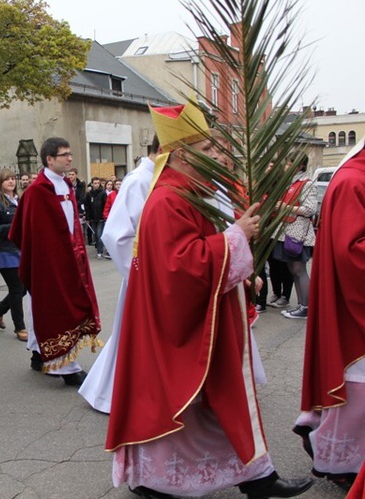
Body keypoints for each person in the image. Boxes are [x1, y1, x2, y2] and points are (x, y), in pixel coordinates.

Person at [105, 102, 312, 498]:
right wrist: (236, 238)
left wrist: (239, 263)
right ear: (180, 155)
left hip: (210, 313)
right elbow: (178, 267)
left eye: (215, 148)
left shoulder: (190, 190)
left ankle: (256, 477)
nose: (217, 155)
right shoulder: (167, 199)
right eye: (206, 149)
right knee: (196, 407)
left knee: (215, 406)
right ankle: (161, 481)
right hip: (184, 325)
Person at [294, 139, 365, 490]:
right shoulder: (353, 180)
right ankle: (340, 461)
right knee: (355, 394)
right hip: (353, 307)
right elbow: (350, 251)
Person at [9, 138, 101, 387]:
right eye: (64, 155)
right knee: (54, 310)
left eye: (70, 154)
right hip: (48, 264)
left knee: (57, 307)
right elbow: (22, 232)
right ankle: (66, 367)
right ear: (49, 159)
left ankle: (39, 354)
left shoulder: (66, 185)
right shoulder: (37, 192)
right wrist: (42, 258)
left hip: (71, 259)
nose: (70, 158)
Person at [78, 135, 158, 413]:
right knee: (133, 339)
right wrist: (141, 274)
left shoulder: (159, 177)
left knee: (133, 339)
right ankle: (113, 394)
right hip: (145, 274)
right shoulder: (138, 181)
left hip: (157, 273)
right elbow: (116, 235)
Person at [0, 169, 27, 343]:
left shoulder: (19, 200)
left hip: (22, 250)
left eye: (12, 179)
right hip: (6, 252)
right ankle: (20, 327)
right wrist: (12, 227)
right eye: (7, 179)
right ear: (0, 182)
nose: (11, 182)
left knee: (22, 289)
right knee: (17, 289)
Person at [273, 152, 316, 319]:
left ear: (299, 166)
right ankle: (301, 304)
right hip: (289, 231)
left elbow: (310, 209)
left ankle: (306, 307)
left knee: (299, 269)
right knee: (293, 269)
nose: (286, 166)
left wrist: (285, 207)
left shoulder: (306, 183)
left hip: (298, 232)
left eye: (289, 163)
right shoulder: (291, 183)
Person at [84, 176, 107, 259]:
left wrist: (105, 215)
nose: (97, 185)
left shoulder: (103, 193)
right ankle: (99, 248)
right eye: (95, 183)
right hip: (92, 218)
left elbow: (105, 205)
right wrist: (87, 217)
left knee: (99, 234)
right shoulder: (89, 194)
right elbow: (87, 206)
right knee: (95, 235)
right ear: (92, 184)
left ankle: (100, 252)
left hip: (101, 217)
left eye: (98, 183)